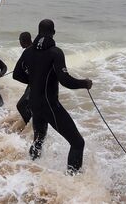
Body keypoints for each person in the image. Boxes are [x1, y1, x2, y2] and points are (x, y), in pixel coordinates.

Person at [13, 19, 93, 175]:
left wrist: (33, 80)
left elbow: (17, 74)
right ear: (53, 33)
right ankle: (72, 180)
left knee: (38, 139)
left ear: (38, 31)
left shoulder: (27, 52)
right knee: (77, 143)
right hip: (49, 104)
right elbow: (65, 80)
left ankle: (31, 170)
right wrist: (85, 83)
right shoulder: (55, 52)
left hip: (34, 104)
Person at [16, 32, 33, 125]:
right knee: (29, 105)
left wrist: (28, 80)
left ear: (23, 40)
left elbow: (16, 74)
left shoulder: (28, 51)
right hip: (37, 82)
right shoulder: (36, 49)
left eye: (20, 40)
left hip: (34, 84)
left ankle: (30, 124)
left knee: (21, 105)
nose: (20, 42)